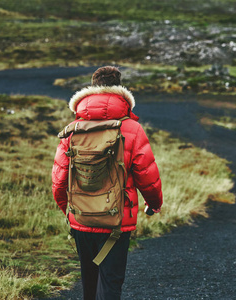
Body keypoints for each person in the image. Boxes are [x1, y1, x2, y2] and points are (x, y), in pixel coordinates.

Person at [52, 66, 163, 299]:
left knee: (88, 282)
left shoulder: (72, 130)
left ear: (91, 89)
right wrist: (153, 204)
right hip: (116, 221)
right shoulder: (132, 129)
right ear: (120, 89)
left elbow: (59, 180)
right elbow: (147, 175)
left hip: (80, 217)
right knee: (111, 282)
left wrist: (69, 211)